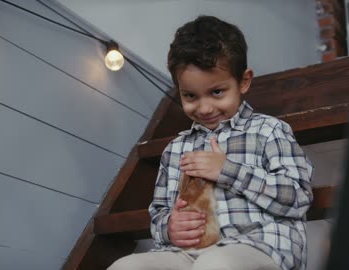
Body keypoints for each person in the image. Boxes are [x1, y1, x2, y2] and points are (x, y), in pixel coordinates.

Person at [108, 15, 313, 270]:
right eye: (190, 95)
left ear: (244, 81)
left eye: (217, 92)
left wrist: (226, 170)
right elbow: (159, 212)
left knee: (215, 265)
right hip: (188, 255)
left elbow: (297, 198)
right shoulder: (175, 150)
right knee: (124, 267)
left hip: (259, 247)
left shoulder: (269, 131)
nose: (204, 108)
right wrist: (169, 227)